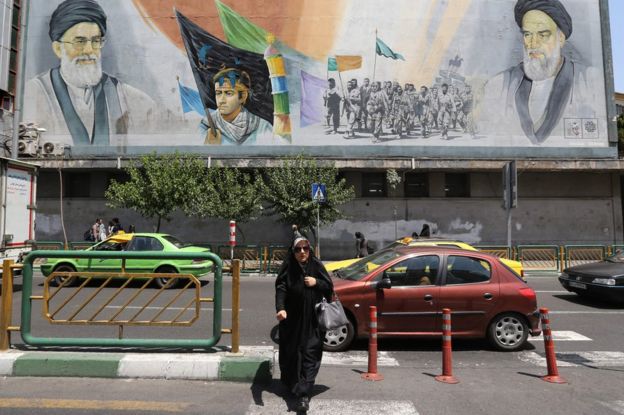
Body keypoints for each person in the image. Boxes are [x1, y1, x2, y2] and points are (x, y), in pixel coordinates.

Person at [23, 0, 159, 145]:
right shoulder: (32, 94)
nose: (89, 50)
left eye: (95, 41)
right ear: (58, 48)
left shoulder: (137, 103)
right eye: (80, 41)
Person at [480, 0, 597, 144]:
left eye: (543, 34)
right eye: (527, 34)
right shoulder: (498, 86)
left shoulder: (590, 82)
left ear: (561, 38)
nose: (533, 44)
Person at [275, 237, 333, 412]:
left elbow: (329, 288)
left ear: (310, 250)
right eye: (298, 249)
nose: (302, 252)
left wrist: (317, 283)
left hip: (312, 322)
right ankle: (293, 384)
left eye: (305, 249)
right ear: (293, 252)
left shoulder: (316, 266)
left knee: (310, 354)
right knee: (292, 354)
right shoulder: (288, 267)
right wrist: (281, 308)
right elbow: (281, 288)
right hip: (292, 321)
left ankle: (303, 394)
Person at [200, 67, 278, 145]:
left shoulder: (262, 127)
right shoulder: (206, 126)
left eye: (228, 93)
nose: (221, 100)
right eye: (218, 93)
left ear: (243, 96)